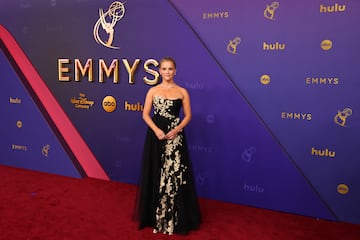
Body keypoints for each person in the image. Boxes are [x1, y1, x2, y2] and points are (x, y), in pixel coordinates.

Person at [133, 57, 201, 235]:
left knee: (174, 175)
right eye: (164, 69)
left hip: (175, 138)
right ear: (160, 71)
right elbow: (145, 114)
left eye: (170, 69)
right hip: (156, 137)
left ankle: (176, 217)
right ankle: (154, 215)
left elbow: (188, 116)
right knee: (156, 171)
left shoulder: (182, 91)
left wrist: (176, 130)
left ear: (175, 71)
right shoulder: (153, 91)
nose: (167, 72)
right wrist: (156, 131)